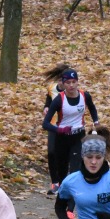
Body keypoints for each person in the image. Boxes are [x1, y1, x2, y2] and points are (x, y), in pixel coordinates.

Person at [42, 69, 100, 181]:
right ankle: (61, 193)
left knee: (75, 171)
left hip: (78, 136)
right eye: (68, 83)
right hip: (62, 139)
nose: (71, 85)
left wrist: (96, 121)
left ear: (78, 82)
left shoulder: (85, 96)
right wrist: (60, 130)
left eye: (74, 82)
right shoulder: (59, 100)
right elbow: (45, 124)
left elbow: (92, 108)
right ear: (63, 84)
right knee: (62, 174)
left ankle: (74, 197)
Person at [42, 64, 69, 195]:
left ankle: (64, 183)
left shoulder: (72, 92)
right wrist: (46, 108)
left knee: (63, 155)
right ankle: (55, 182)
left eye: (62, 80)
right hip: (53, 125)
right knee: (51, 152)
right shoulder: (52, 88)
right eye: (59, 79)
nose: (60, 82)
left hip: (67, 127)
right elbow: (48, 99)